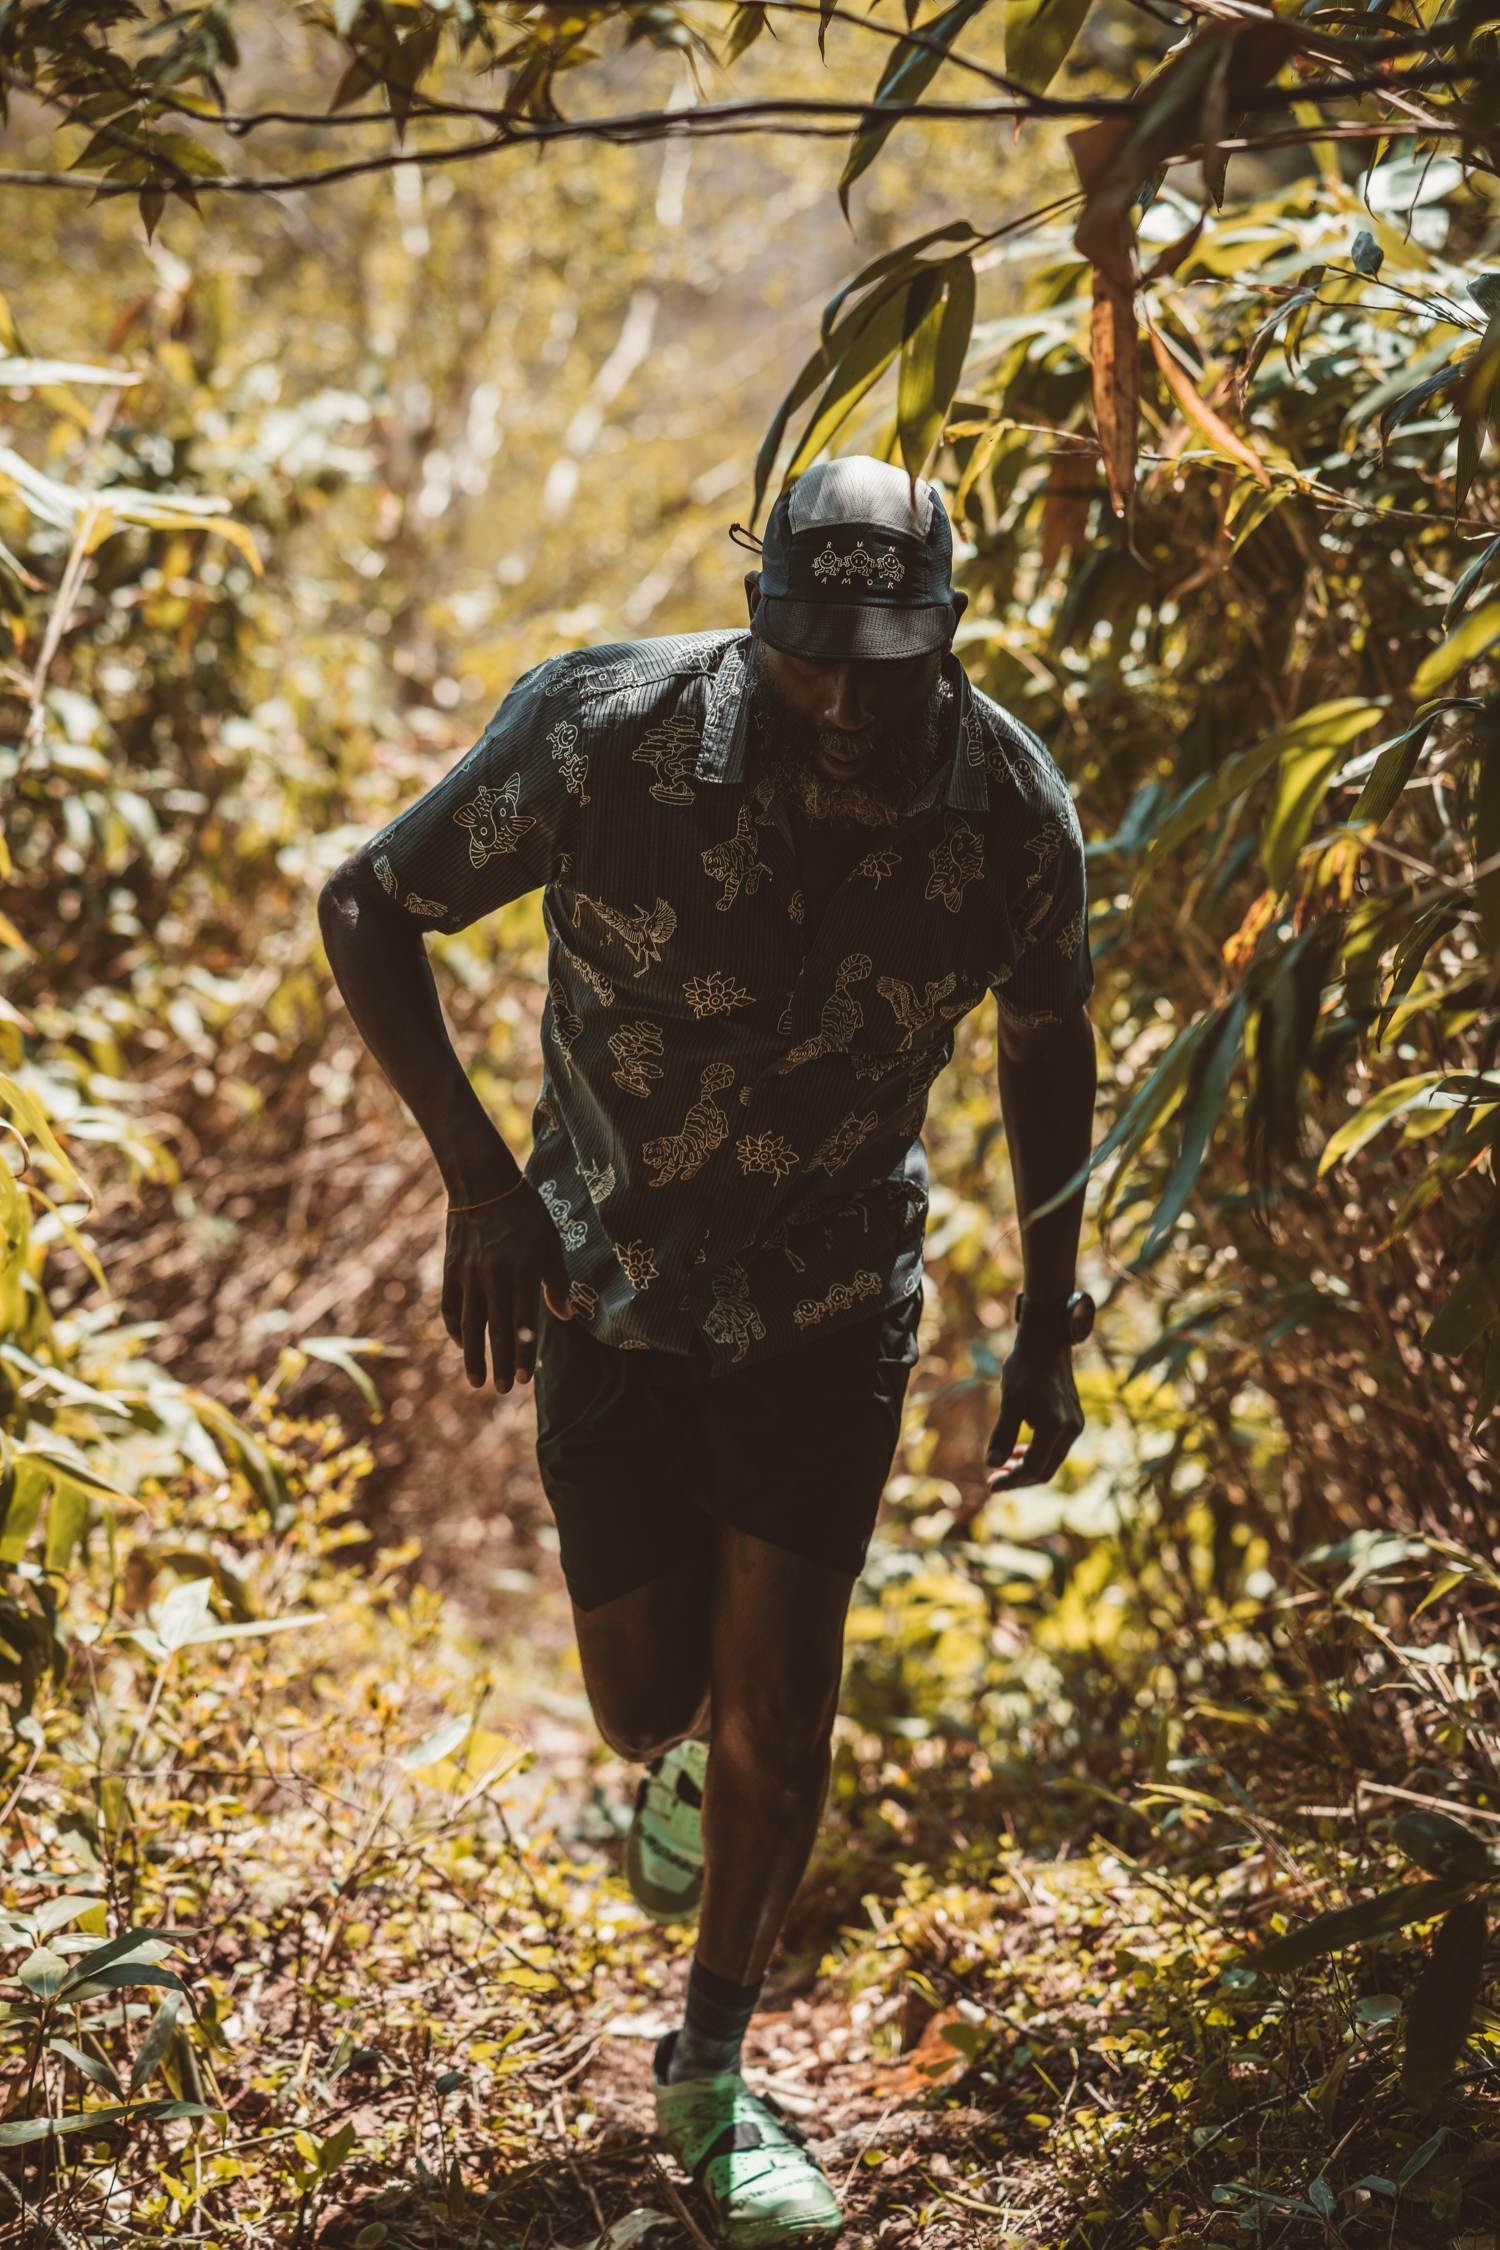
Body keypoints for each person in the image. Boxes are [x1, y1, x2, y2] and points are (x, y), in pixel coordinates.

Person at [319, 456, 1097, 2249]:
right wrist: (480, 1186)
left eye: (888, 662)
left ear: (946, 636)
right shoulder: (605, 733)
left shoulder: (1005, 808)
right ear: (760, 626)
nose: (846, 701)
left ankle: (715, 2062)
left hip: (832, 1300)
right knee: (644, 1700)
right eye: (813, 655)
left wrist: (1048, 1314)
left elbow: (1047, 1035)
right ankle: (674, 1760)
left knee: (781, 1697)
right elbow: (372, 902)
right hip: (608, 1286)